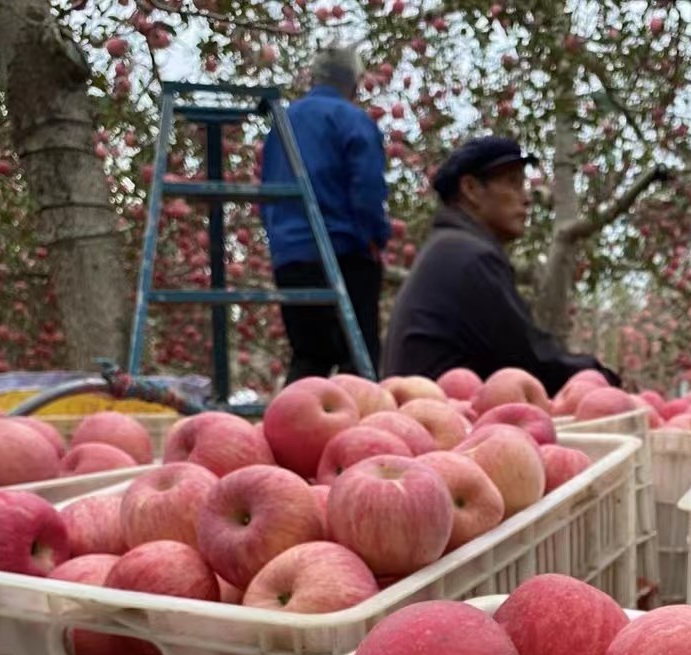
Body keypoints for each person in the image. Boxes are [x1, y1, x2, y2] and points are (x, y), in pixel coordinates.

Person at [381, 135, 620, 394]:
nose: (526, 198)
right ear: (471, 189)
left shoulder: (449, 248)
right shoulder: (469, 256)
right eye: (513, 183)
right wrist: (602, 377)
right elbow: (531, 362)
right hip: (447, 420)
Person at [261, 45, 389, 383]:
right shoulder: (352, 120)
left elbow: (268, 189)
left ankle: (289, 431)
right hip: (342, 252)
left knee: (308, 358)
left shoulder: (282, 123)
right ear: (356, 84)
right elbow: (366, 188)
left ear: (313, 78)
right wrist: (376, 237)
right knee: (358, 362)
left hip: (290, 256)